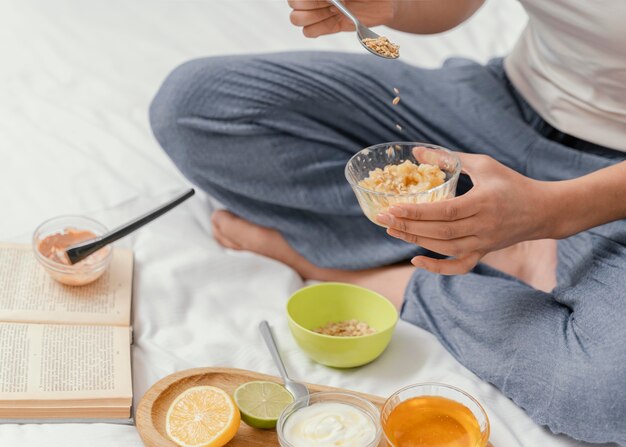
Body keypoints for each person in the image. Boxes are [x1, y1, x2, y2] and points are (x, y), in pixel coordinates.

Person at [149, 0, 626, 444]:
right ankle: (502, 241)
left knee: (606, 396)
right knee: (195, 105)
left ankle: (369, 275)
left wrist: (554, 210)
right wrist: (391, 5)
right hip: (501, 106)